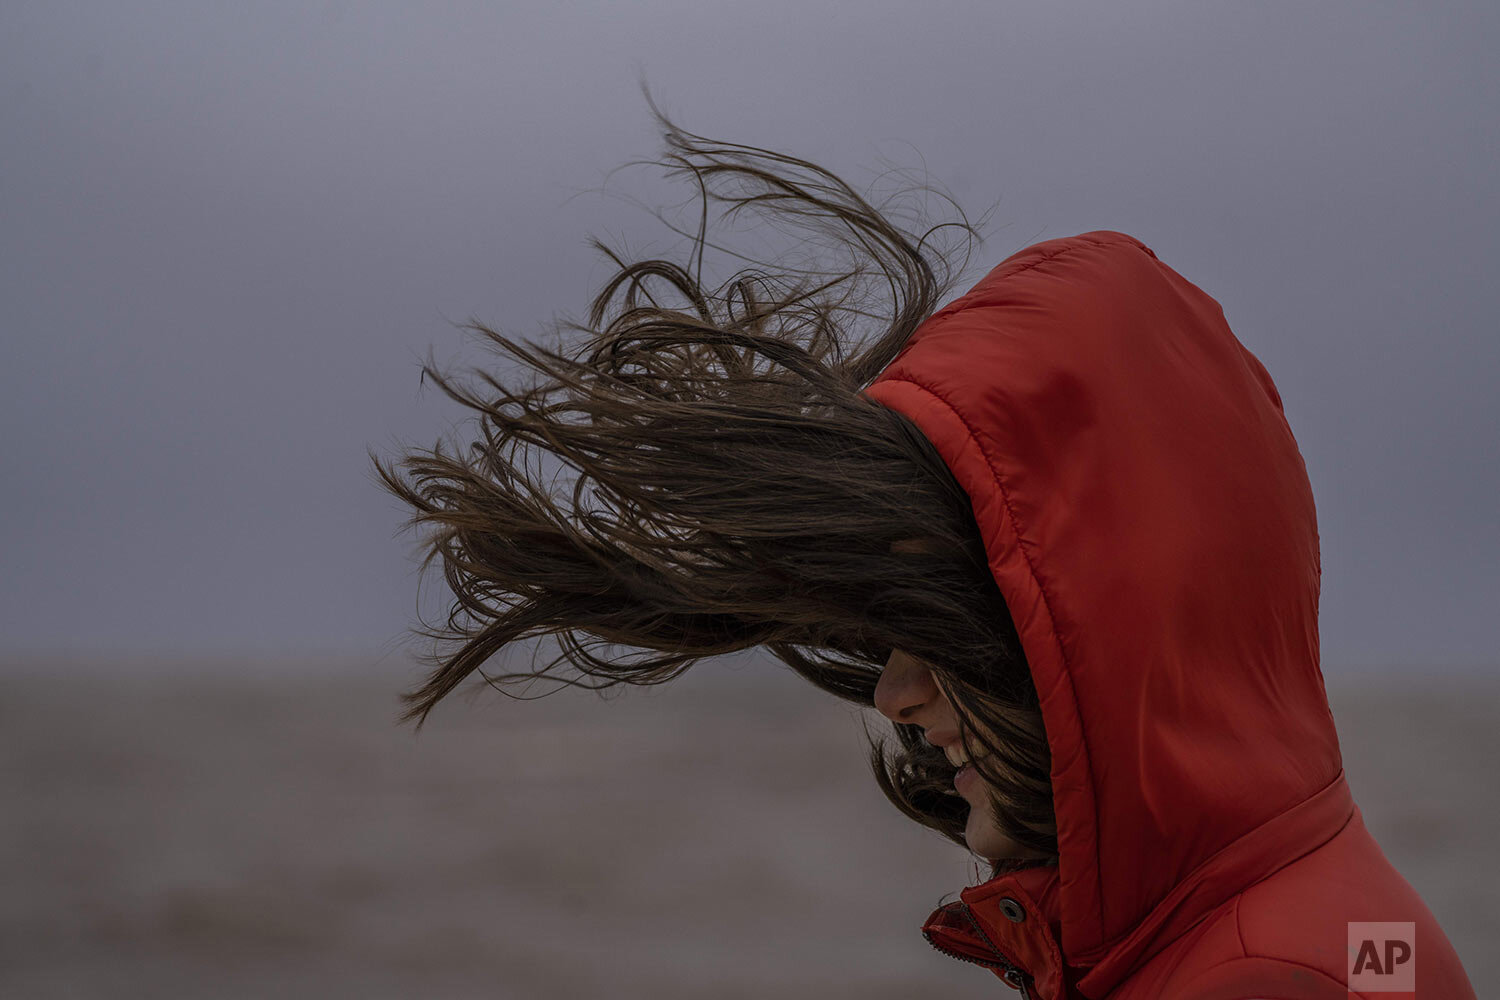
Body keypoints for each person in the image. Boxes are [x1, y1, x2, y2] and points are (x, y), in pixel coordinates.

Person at [374, 106, 1476, 997]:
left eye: (942, 629)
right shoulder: (1305, 918)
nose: (896, 691)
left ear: (1098, 636)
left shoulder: (1261, 977)